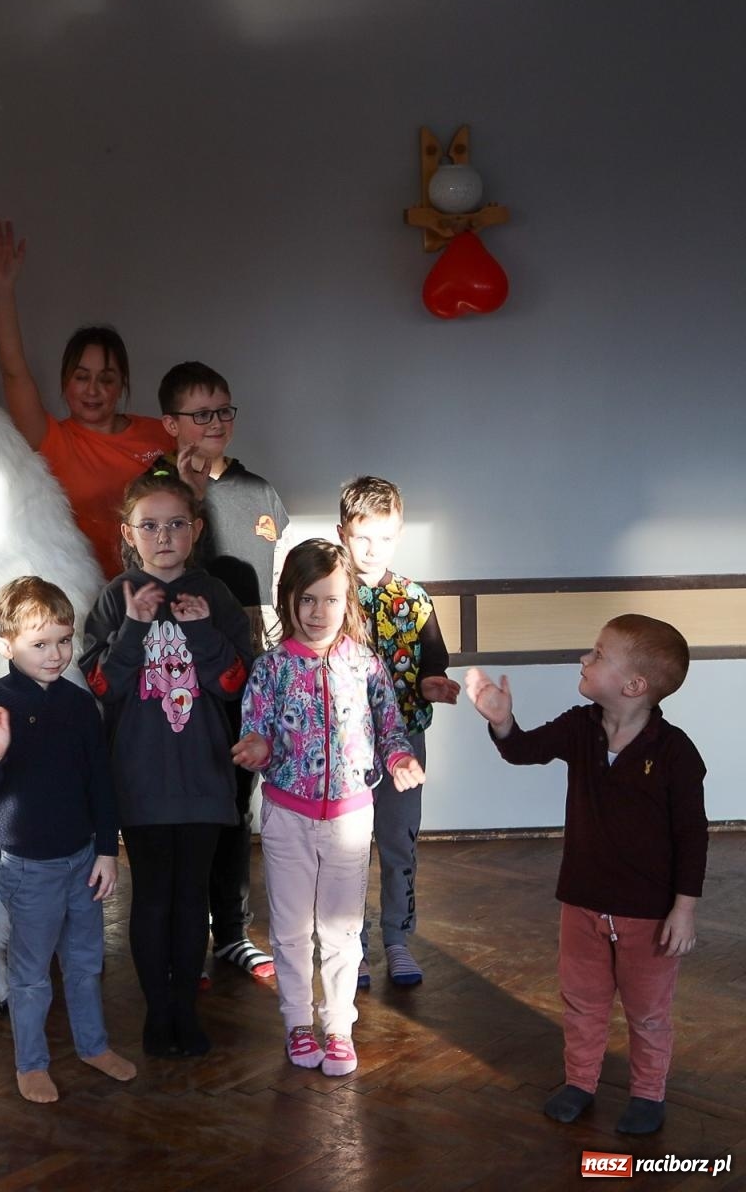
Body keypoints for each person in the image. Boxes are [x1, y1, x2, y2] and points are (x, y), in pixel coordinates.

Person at [465, 615, 707, 1136]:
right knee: (581, 1002)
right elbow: (523, 750)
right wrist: (503, 722)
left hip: (650, 915)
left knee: (647, 1013)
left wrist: (683, 909)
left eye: (598, 654)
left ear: (633, 685)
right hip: (582, 901)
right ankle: (580, 1082)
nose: (584, 659)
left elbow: (693, 836)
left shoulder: (675, 753)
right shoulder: (581, 727)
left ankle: (647, 1093)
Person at [232, 539, 423, 1078]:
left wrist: (402, 754)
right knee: (291, 930)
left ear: (349, 603)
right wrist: (258, 748)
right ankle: (298, 1022)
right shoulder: (270, 669)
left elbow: (389, 727)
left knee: (340, 930)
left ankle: (338, 1025)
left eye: (332, 600)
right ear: (288, 599)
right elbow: (258, 730)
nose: (320, 613)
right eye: (308, 600)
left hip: (350, 817)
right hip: (286, 818)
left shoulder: (365, 664)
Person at [79, 470, 251, 1058]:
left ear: (196, 530)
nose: (164, 536)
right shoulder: (115, 596)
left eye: (177, 523)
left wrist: (202, 631)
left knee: (192, 898)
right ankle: (159, 1013)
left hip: (204, 776)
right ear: (130, 533)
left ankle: (186, 1010)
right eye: (150, 526)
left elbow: (236, 686)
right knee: (152, 895)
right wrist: (133, 625)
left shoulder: (216, 595)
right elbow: (102, 685)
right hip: (141, 779)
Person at [0, 576, 136, 1103]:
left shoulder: (80, 706)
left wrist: (106, 849)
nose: (56, 654)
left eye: (64, 640)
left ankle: (93, 1045)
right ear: (4, 646)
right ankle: (30, 1064)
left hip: (83, 860)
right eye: (40, 644)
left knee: (86, 963)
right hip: (28, 868)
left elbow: (100, 782)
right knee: (31, 975)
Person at [150, 361, 290, 984]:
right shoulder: (158, 492)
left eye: (224, 411)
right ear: (171, 423)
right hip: (178, 680)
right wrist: (191, 498)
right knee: (186, 804)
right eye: (200, 413)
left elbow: (281, 578)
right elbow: (160, 571)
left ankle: (231, 931)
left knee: (236, 802)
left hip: (248, 672)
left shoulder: (260, 491)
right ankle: (189, 933)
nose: (215, 424)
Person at [0, 219, 172, 578]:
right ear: (65, 382)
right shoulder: (52, 438)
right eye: (81, 377)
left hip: (157, 590)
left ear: (122, 385)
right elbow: (14, 372)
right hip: (83, 593)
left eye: (106, 378)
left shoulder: (162, 434)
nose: (93, 390)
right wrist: (2, 290)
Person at [337, 476, 460, 989]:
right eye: (362, 537)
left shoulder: (413, 597)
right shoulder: (328, 594)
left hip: (404, 743)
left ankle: (396, 938)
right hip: (344, 744)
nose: (372, 549)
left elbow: (435, 655)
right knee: (347, 848)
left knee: (398, 842)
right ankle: (353, 946)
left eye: (384, 538)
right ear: (342, 532)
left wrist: (433, 682)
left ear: (399, 534)